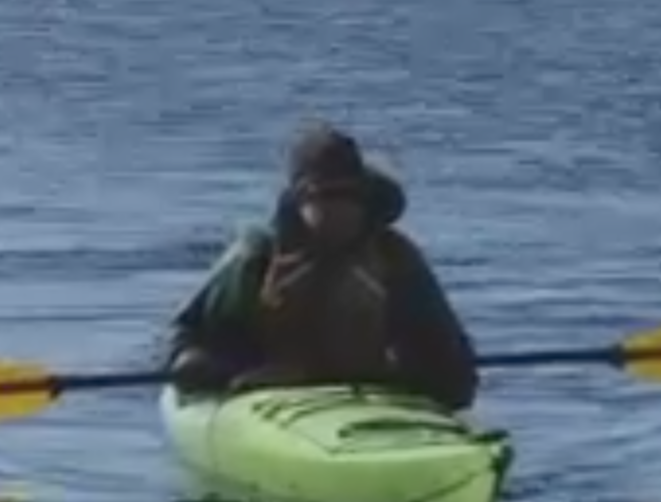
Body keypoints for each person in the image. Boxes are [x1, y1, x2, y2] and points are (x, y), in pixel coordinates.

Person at [164, 124, 481, 411]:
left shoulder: (394, 256)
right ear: (301, 198)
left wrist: (425, 376)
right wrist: (208, 367)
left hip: (373, 394)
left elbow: (455, 371)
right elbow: (187, 335)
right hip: (267, 391)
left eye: (350, 196)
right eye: (326, 196)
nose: (339, 209)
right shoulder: (256, 254)